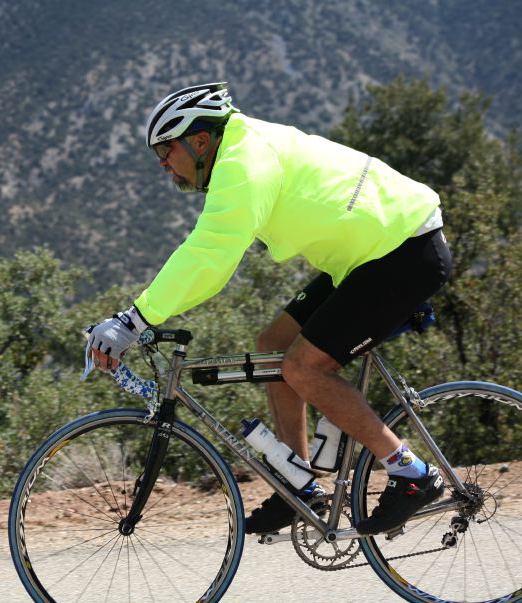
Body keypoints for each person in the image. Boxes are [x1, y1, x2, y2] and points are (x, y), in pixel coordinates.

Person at [86, 82, 451, 535]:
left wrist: (133, 320)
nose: (162, 163)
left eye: (166, 149)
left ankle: (410, 471)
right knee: (272, 346)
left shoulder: (243, 162)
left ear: (200, 140)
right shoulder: (240, 148)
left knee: (304, 368)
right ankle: (297, 485)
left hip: (403, 250)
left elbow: (208, 256)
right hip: (367, 257)